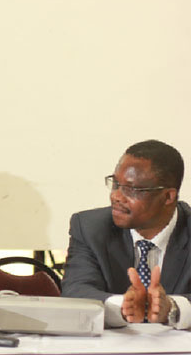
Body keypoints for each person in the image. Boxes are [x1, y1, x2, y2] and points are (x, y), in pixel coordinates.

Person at [62, 140, 191, 329]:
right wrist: (122, 306)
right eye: (115, 184)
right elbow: (75, 291)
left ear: (168, 197)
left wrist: (172, 308)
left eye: (131, 189)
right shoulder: (90, 227)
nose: (116, 196)